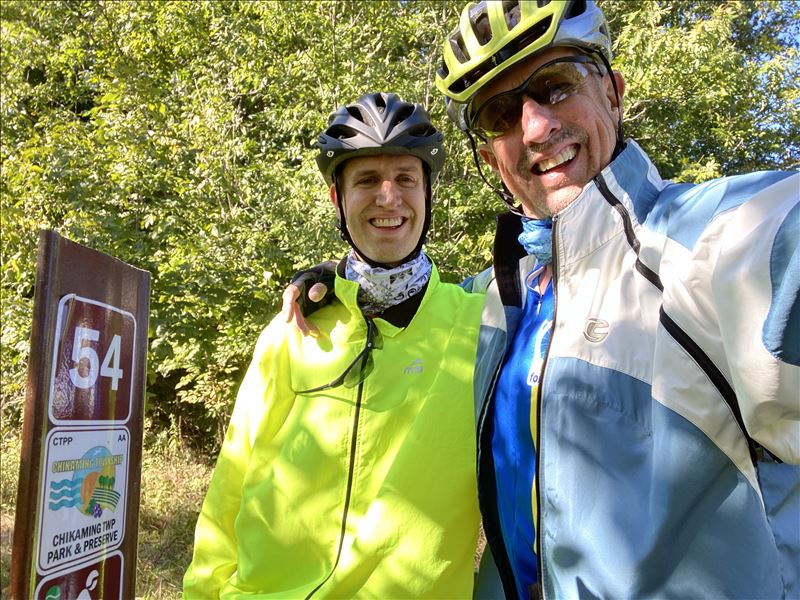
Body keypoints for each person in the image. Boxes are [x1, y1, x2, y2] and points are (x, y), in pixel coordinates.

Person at [283, 2, 800, 598]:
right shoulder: (491, 299)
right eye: (501, 114)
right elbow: (404, 312)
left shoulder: (708, 245)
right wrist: (337, 284)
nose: (534, 127)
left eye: (555, 87)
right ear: (489, 158)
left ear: (613, 92)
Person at [183, 92, 485, 598]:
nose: (388, 197)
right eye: (366, 180)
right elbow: (231, 484)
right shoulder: (292, 328)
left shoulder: (481, 326)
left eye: (405, 179)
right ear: (336, 198)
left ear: (428, 193)